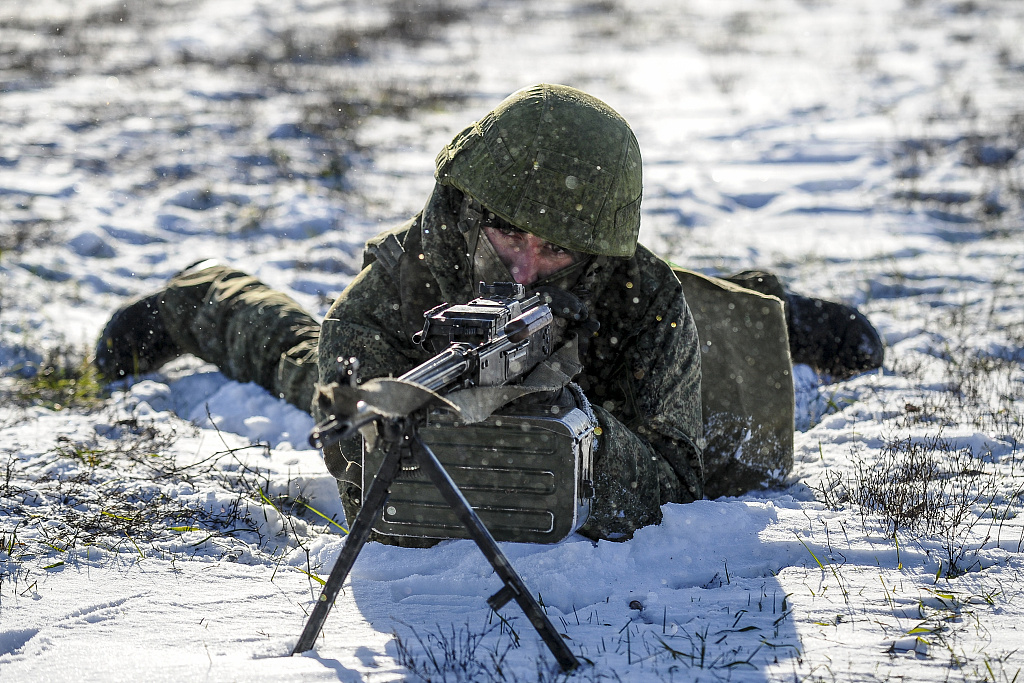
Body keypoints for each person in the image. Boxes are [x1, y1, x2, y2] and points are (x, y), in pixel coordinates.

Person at [95, 84, 883, 541]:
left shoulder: (642, 297)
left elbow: (677, 477)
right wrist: (404, 418)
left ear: (595, 253)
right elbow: (340, 413)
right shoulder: (414, 266)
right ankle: (200, 295)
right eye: (509, 232)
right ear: (473, 210)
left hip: (611, 388)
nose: (526, 267)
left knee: (732, 373)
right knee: (302, 363)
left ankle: (761, 299)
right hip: (423, 372)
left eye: (558, 251)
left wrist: (574, 432)